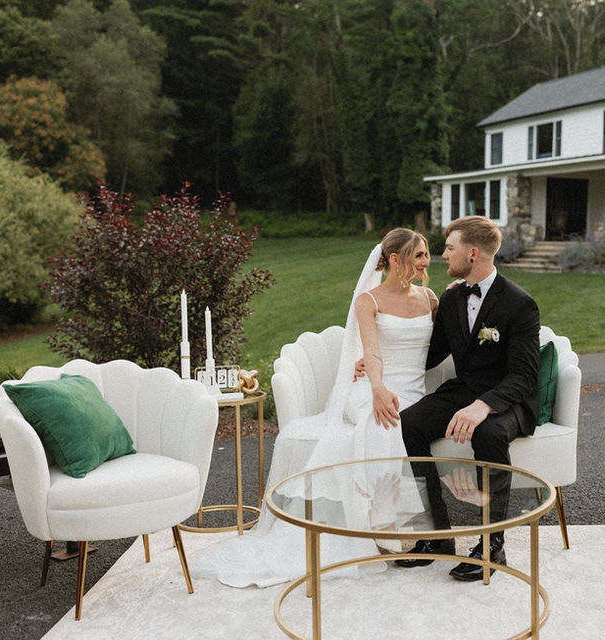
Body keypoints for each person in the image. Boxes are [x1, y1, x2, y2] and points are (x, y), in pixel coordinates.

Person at [192, 228, 436, 588]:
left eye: (427, 254)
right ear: (395, 260)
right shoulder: (368, 300)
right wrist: (377, 385)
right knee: (381, 422)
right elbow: (371, 350)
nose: (425, 262)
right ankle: (381, 523)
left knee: (400, 420)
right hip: (374, 386)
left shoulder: (430, 298)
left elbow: (441, 347)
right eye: (417, 255)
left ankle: (389, 518)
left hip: (413, 389)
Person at [395, 215, 540, 582]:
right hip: (463, 391)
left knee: (487, 433)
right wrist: (380, 360)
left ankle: (492, 544)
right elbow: (431, 353)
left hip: (508, 399)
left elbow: (524, 376)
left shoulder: (520, 304)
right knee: (409, 423)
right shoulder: (454, 297)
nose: (443, 255)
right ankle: (437, 535)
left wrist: (483, 406)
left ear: (472, 253)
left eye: (450, 248)